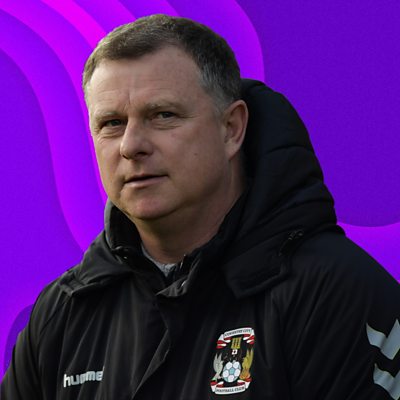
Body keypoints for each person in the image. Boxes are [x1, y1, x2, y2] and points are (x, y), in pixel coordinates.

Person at [1, 14, 399, 400]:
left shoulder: (338, 294)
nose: (131, 145)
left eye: (163, 115)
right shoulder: (60, 317)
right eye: (111, 123)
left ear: (231, 129)